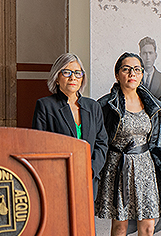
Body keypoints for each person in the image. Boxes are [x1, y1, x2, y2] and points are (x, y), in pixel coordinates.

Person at [96, 52, 161, 236]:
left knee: (148, 226)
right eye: (126, 69)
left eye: (137, 69)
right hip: (118, 166)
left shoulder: (152, 104)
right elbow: (100, 140)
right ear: (117, 74)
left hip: (144, 167)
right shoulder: (107, 104)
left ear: (142, 74)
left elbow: (155, 141)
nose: (132, 73)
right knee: (121, 226)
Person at [32, 53, 108, 198]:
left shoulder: (93, 106)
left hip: (88, 179)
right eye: (67, 72)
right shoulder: (45, 106)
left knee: (86, 220)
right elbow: (39, 146)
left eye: (77, 73)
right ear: (57, 78)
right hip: (58, 180)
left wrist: (92, 169)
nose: (73, 77)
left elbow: (101, 142)